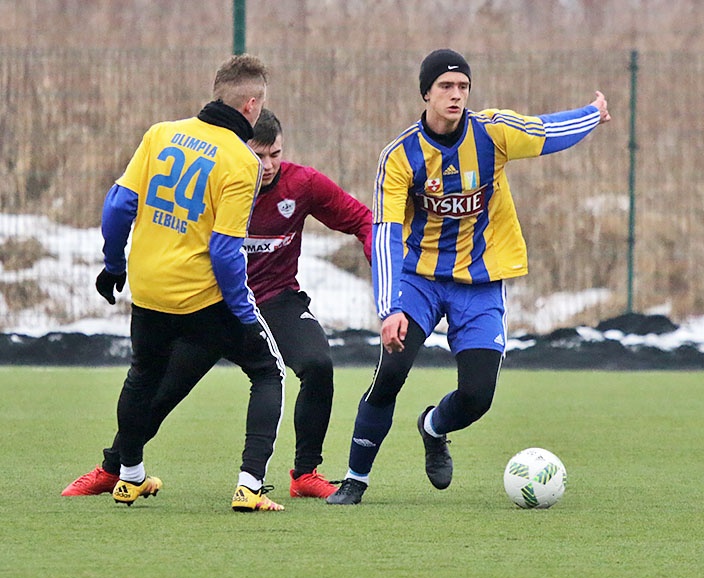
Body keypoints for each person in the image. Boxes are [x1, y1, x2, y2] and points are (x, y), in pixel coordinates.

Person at [326, 49, 611, 505]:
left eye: (463, 87)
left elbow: (545, 131)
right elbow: (384, 233)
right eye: (445, 86)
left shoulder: (492, 133)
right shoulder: (399, 157)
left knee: (478, 395)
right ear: (426, 93)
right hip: (418, 280)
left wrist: (592, 115)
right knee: (391, 372)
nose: (456, 95)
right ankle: (355, 480)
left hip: (479, 283)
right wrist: (390, 307)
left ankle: (433, 427)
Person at [62, 109, 373, 501]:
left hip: (276, 301)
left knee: (317, 364)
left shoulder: (303, 183)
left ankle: (305, 473)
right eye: (258, 155)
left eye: (275, 154)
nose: (268, 165)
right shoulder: (216, 176)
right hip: (214, 305)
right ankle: (114, 468)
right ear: (239, 150)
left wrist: (375, 253)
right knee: (160, 391)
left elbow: (363, 218)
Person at [77, 54, 287, 512]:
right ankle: (249, 487)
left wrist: (114, 266)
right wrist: (244, 311)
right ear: (251, 106)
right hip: (200, 298)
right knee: (268, 372)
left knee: (142, 376)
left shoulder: (161, 133)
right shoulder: (241, 160)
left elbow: (117, 208)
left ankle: (130, 477)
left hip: (148, 288)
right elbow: (225, 249)